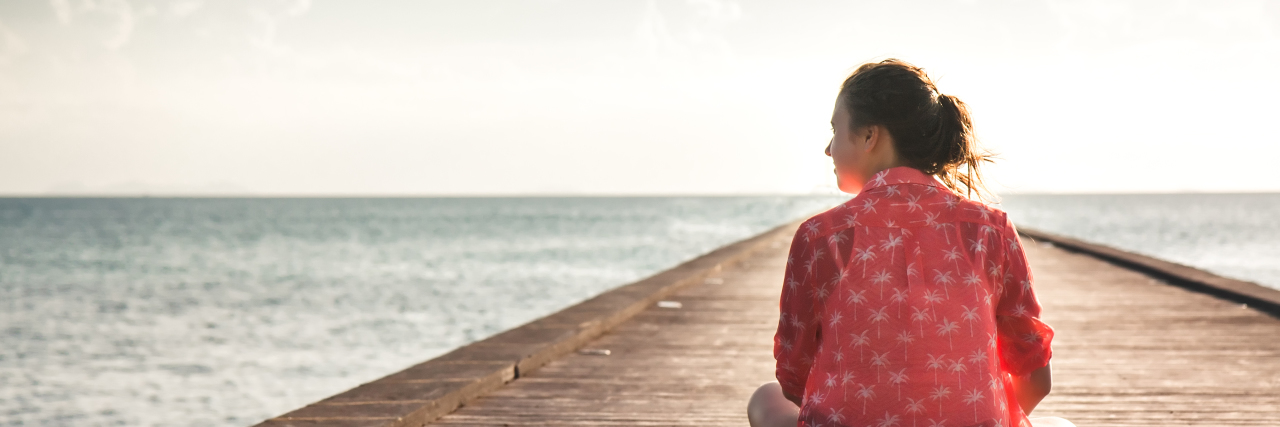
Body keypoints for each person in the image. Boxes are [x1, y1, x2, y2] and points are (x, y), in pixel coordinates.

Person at [747, 59, 1075, 427]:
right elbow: (1035, 375)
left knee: (766, 399)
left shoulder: (821, 236)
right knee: (1060, 424)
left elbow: (793, 378)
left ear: (870, 136)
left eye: (835, 130)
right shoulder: (990, 229)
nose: (828, 148)